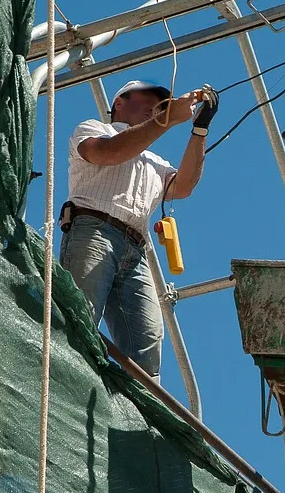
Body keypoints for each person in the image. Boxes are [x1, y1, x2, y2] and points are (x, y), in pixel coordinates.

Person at [59, 79, 218, 380]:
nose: (155, 107)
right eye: (148, 98)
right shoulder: (94, 129)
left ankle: (138, 417)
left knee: (147, 343)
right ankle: (68, 385)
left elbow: (183, 186)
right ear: (119, 102)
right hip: (94, 231)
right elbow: (108, 153)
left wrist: (199, 129)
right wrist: (168, 118)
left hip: (135, 249)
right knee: (80, 318)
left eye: (159, 104)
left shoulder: (154, 161)